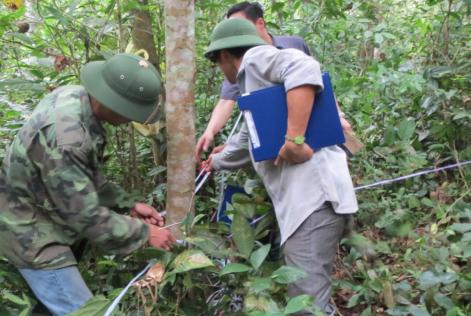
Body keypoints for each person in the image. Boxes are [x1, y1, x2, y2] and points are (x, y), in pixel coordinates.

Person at [0, 53, 176, 316]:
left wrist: (127, 204)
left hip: (45, 212)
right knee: (85, 311)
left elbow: (83, 174)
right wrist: (144, 233)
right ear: (114, 104)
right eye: (131, 113)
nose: (131, 120)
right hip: (28, 230)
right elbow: (85, 216)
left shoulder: (75, 96)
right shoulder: (67, 137)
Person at [203, 19, 358, 315]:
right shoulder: (254, 84)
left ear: (224, 56)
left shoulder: (254, 59)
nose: (222, 73)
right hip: (315, 201)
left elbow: (304, 68)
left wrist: (294, 139)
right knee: (312, 298)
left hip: (312, 202)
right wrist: (217, 161)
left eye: (218, 64)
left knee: (306, 306)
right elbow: (251, 137)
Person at [195, 1, 312, 162]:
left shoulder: (286, 47)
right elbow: (231, 105)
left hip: (306, 145)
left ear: (260, 23)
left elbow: (311, 74)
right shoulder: (242, 69)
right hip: (284, 150)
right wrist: (212, 135)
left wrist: (294, 140)